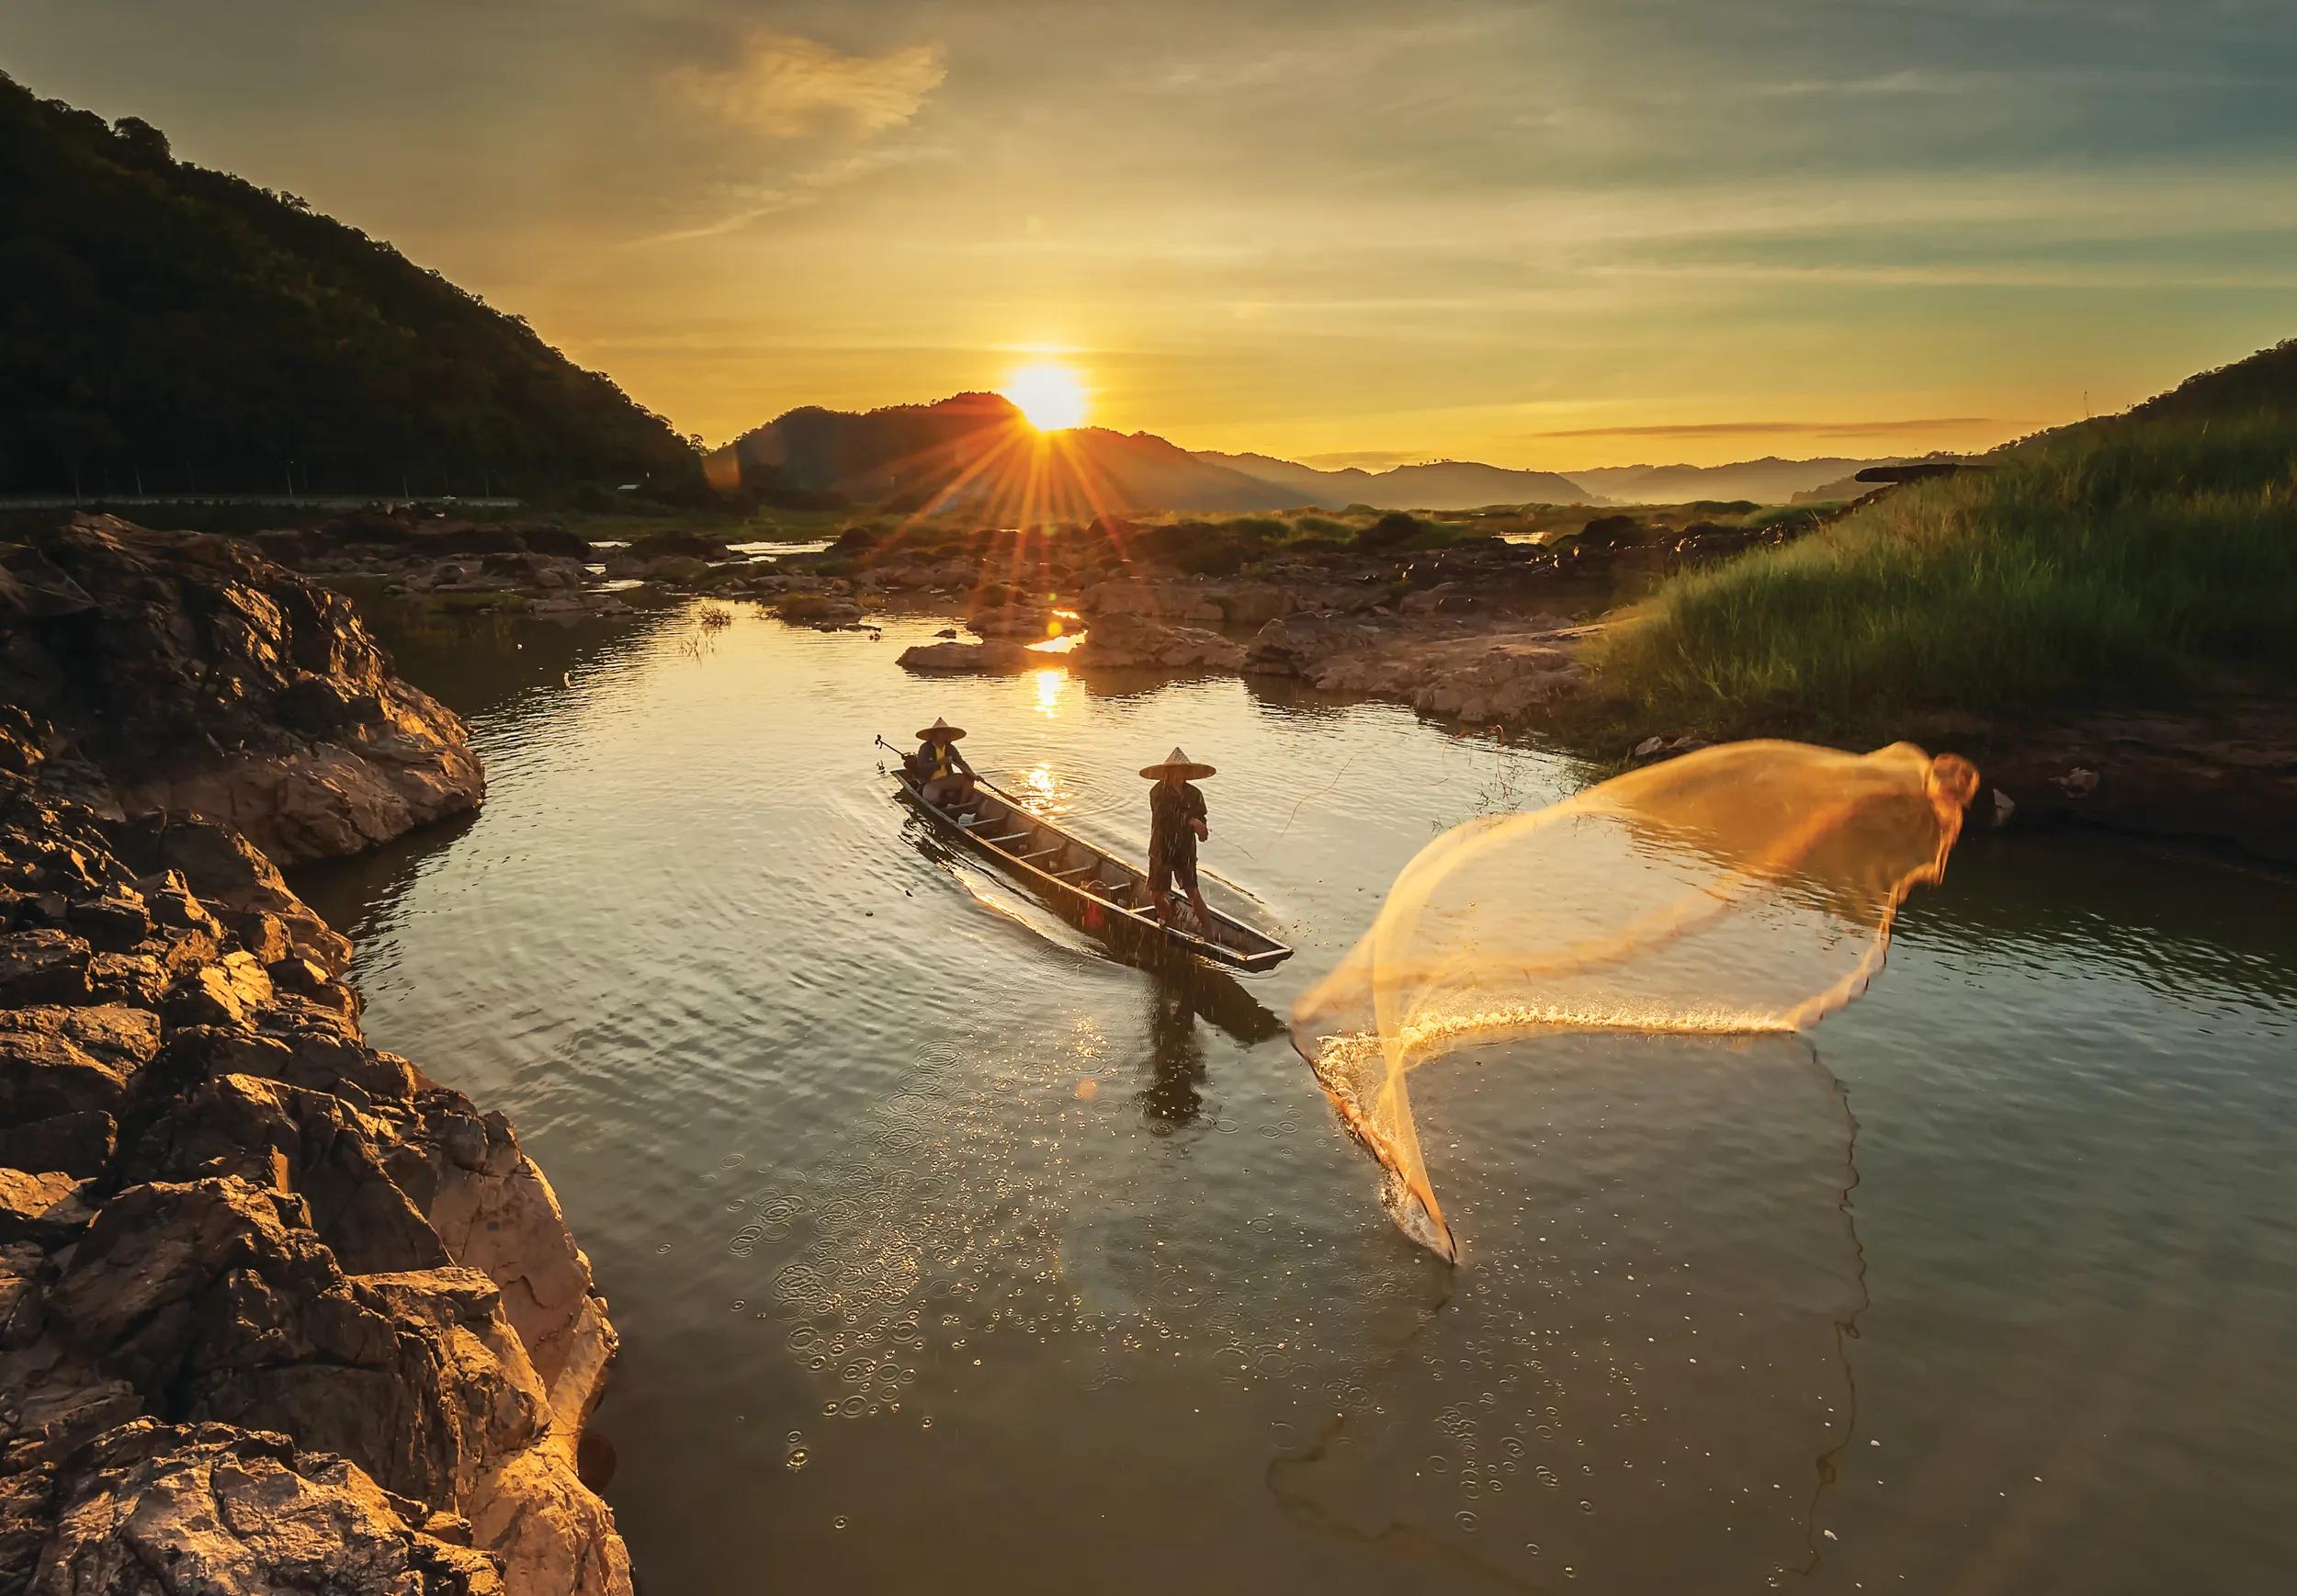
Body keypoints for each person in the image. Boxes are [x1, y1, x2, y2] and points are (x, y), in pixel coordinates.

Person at [1140, 746, 1217, 934]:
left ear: (1187, 773)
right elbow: (1163, 816)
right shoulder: (1157, 792)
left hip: (1185, 849)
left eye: (1182, 771)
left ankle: (1209, 935)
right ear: (1167, 772)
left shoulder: (1195, 794)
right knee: (1157, 894)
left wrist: (1202, 829)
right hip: (1162, 848)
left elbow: (1201, 816)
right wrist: (1191, 821)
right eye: (1175, 771)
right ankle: (1168, 921)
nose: (1178, 775)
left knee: (1193, 892)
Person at [910, 717, 976, 808]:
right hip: (931, 783)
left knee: (969, 779)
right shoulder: (925, 748)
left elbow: (961, 763)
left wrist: (973, 775)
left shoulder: (950, 748)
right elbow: (921, 768)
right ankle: (946, 802)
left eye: (947, 733)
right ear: (935, 734)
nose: (945, 735)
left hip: (947, 780)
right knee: (933, 798)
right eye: (942, 732)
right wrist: (939, 763)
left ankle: (961, 805)